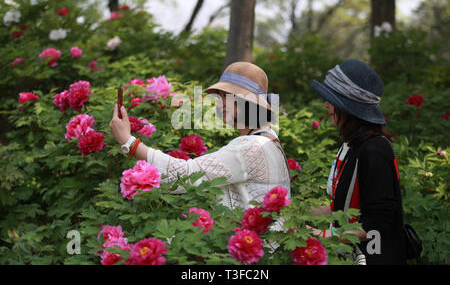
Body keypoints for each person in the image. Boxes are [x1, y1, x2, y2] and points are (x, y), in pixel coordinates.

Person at [109, 61, 290, 211]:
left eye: (228, 97)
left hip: (260, 249)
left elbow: (186, 175)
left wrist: (129, 141)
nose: (220, 104)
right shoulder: (268, 137)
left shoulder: (250, 146)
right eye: (219, 97)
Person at [309, 59, 407, 265]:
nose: (326, 104)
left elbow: (376, 224)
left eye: (331, 99)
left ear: (347, 107)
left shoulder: (374, 150)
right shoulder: (353, 144)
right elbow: (344, 207)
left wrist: (321, 235)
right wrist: (298, 213)